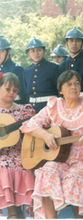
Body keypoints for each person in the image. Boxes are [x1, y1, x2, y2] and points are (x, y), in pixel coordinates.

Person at [20, 70, 83, 219]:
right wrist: (46, 135)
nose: (73, 87)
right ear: (61, 90)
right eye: (69, 84)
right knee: (45, 173)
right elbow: (30, 124)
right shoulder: (55, 106)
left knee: (75, 179)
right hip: (60, 157)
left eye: (76, 83)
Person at [0, 72, 35, 219]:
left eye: (15, 90)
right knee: (4, 165)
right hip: (2, 156)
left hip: (18, 154)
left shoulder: (23, 111)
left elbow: (35, 130)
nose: (11, 93)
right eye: (8, 89)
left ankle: (16, 213)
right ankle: (14, 213)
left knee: (21, 165)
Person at [23, 37, 60, 113]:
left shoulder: (53, 68)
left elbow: (60, 91)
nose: (36, 53)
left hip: (50, 109)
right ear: (28, 54)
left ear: (44, 51)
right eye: (33, 51)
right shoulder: (27, 71)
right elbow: (26, 94)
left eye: (39, 50)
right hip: (31, 110)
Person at [0, 36, 27, 104]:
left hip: (14, 107)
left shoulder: (17, 69)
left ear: (8, 51)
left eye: (2, 51)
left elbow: (24, 95)